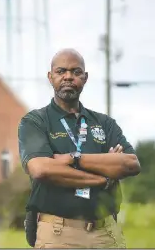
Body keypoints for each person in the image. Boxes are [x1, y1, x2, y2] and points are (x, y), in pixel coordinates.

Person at [19, 48, 141, 249]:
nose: (68, 77)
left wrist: (74, 159)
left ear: (85, 78)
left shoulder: (104, 123)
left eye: (76, 72)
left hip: (106, 233)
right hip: (59, 233)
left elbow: (130, 163)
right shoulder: (35, 121)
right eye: (61, 71)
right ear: (50, 77)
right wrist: (104, 177)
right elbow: (41, 169)